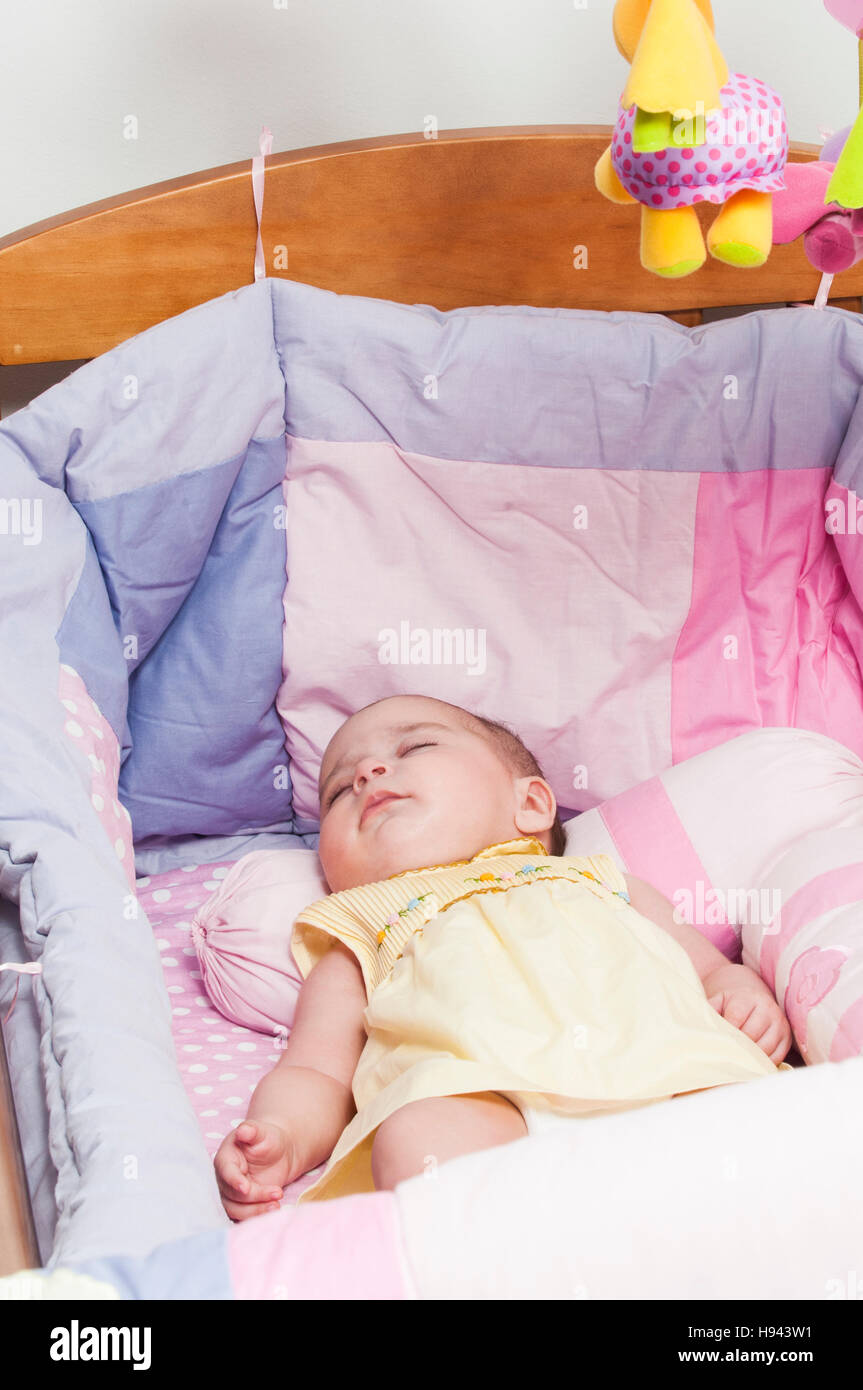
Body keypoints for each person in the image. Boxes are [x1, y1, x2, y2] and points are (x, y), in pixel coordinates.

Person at [215, 693, 792, 1219]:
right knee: (419, 1136)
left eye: (414, 746)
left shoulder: (601, 881)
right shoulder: (363, 928)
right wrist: (281, 1133)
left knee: (756, 1117)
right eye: (339, 791)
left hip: (671, 1077)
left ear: (532, 803)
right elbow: (314, 1069)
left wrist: (738, 988)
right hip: (485, 1106)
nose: (366, 773)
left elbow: (709, 966)